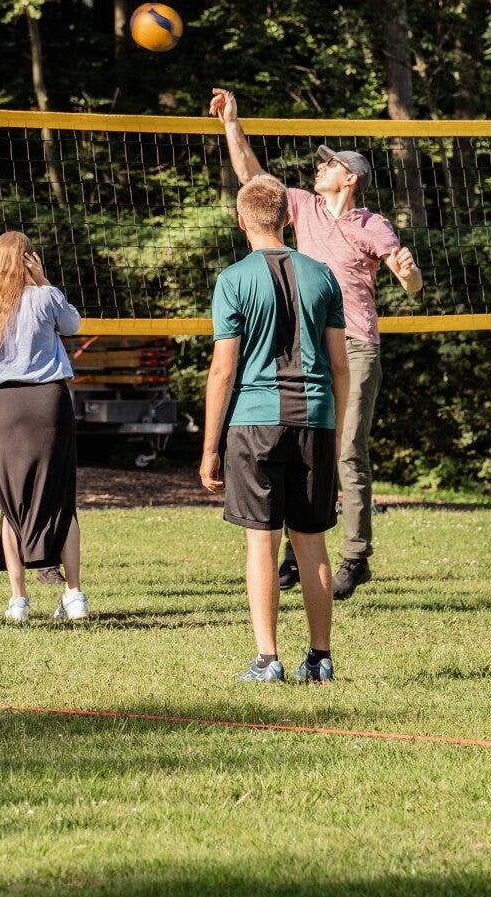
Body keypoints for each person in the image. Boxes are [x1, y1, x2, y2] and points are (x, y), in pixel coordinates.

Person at [208, 88, 421, 600]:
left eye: (327, 166)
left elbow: (409, 283)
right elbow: (251, 181)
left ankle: (354, 556)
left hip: (356, 345)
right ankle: (294, 553)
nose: (317, 169)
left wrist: (411, 276)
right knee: (303, 446)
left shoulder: (373, 225)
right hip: (309, 342)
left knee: (346, 451)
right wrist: (231, 124)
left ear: (349, 178)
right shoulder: (301, 207)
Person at [198, 176, 349, 682]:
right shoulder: (323, 276)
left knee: (261, 542)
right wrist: (337, 430)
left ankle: (268, 660)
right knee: (311, 541)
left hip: (253, 422)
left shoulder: (233, 279)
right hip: (316, 420)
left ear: (241, 220)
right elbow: (341, 366)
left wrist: (209, 450)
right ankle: (321, 659)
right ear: (289, 218)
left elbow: (222, 371)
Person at [0, 231, 88, 623]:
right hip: (50, 402)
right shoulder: (45, 297)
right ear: (29, 260)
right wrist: (45, 281)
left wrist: (3, 375)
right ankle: (74, 595)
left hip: (8, 406)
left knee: (12, 505)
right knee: (61, 499)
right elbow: (73, 326)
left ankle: (18, 600)